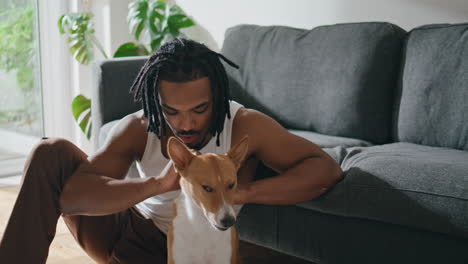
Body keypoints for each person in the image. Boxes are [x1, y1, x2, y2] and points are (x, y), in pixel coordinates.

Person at [0, 38, 343, 263]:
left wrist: (241, 192)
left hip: (189, 252)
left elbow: (324, 170)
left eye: (199, 109)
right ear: (155, 102)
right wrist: (157, 185)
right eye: (172, 111)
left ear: (218, 98)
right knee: (51, 152)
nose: (187, 125)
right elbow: (72, 198)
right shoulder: (138, 128)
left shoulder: (245, 125)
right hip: (130, 232)